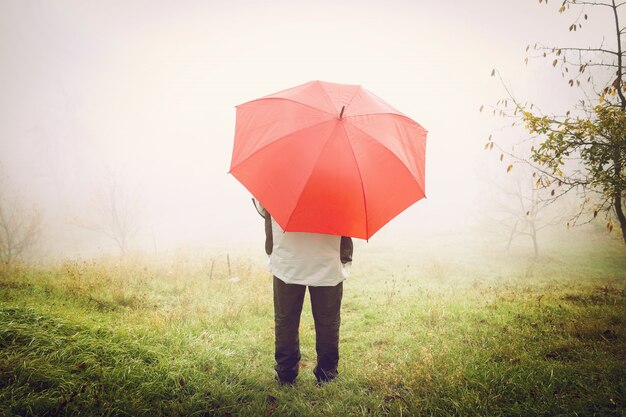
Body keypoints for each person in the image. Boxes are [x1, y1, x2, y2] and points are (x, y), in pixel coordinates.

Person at [253, 199, 353, 385]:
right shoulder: (342, 183)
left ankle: (286, 374)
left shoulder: (277, 180)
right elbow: (350, 217)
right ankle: (327, 374)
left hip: (287, 259)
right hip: (327, 259)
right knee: (328, 321)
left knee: (286, 319)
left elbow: (262, 208)